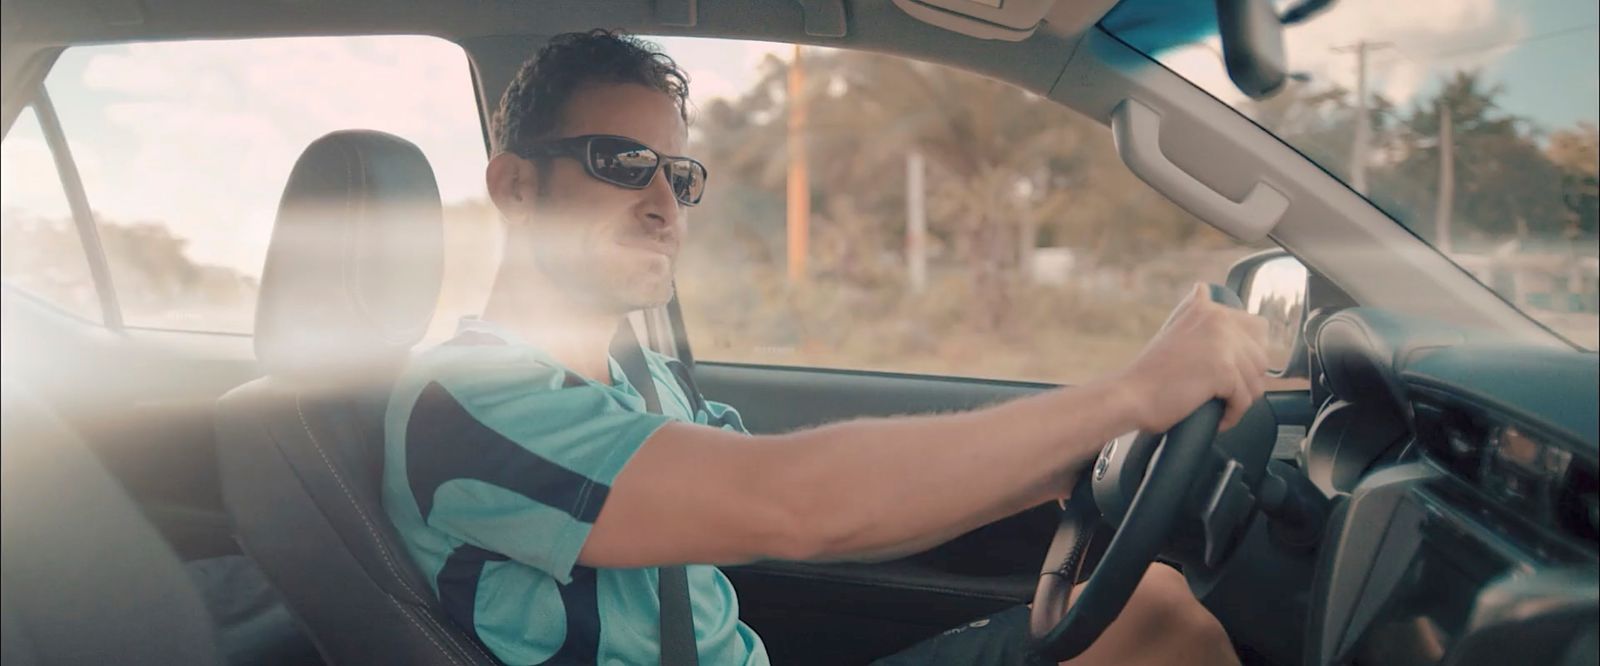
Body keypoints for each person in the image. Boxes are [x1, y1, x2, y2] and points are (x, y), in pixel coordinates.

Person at [382, 29, 1265, 666]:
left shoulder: (639, 378)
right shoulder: (467, 401)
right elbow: (793, 501)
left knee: (1150, 612)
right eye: (619, 162)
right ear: (515, 184)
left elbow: (836, 503)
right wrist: (1127, 397)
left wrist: (1051, 469)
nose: (661, 204)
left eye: (678, 176)